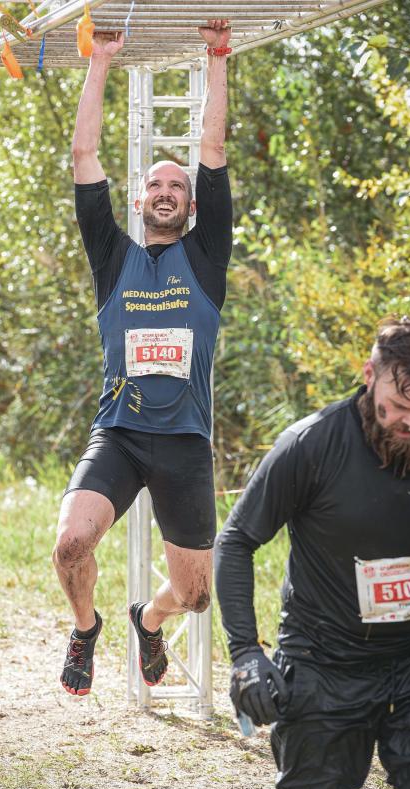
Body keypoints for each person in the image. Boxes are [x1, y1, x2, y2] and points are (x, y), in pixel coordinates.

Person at [53, 20, 233, 696]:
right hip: (121, 435)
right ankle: (86, 628)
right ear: (138, 199)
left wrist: (218, 56)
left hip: (185, 442)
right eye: (154, 184)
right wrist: (99, 61)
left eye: (176, 187)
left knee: (195, 596)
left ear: (190, 204)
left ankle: (146, 619)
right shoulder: (112, 257)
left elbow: (212, 146)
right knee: (70, 545)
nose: (164, 191)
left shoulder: (206, 258)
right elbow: (83, 152)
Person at [215, 317, 410, 789]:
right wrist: (245, 654)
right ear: (369, 376)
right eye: (398, 407)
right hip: (324, 664)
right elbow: (237, 541)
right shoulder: (312, 444)